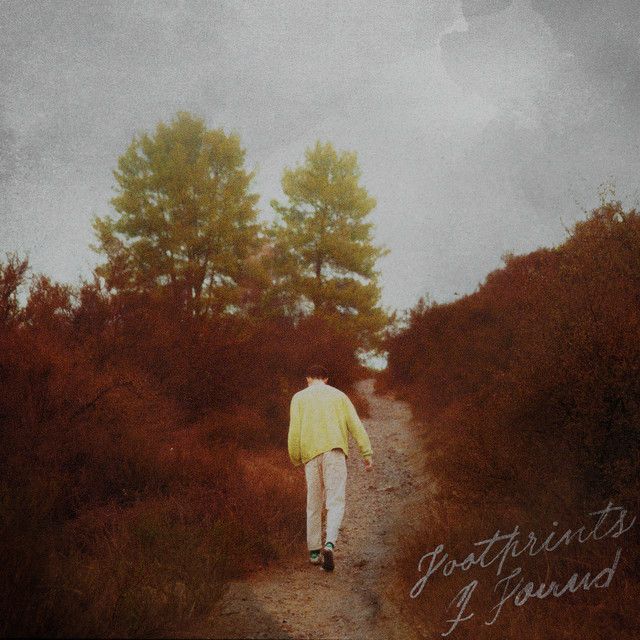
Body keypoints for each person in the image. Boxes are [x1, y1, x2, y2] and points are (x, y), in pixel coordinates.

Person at [287, 364, 374, 571]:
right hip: (334, 452)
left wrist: (295, 458)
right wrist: (366, 452)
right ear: (326, 379)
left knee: (313, 502)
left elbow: (294, 431)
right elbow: (355, 424)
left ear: (308, 378)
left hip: (311, 455)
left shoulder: (298, 398)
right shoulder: (339, 396)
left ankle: (315, 551)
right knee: (335, 500)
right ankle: (330, 544)